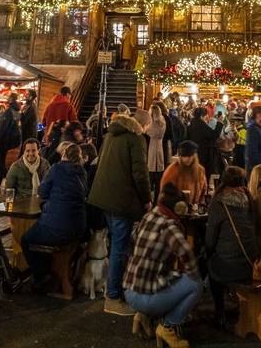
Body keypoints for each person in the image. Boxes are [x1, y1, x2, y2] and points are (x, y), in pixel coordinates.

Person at [87, 113, 151, 316]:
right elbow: (140, 173)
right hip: (121, 199)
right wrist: (146, 198)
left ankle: (114, 288)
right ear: (142, 125)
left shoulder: (112, 135)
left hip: (103, 196)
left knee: (115, 244)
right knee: (119, 249)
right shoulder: (135, 138)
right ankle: (112, 297)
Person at [123, 184, 200, 348]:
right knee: (195, 284)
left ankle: (142, 315)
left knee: (168, 277)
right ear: (179, 208)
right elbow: (188, 256)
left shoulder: (147, 217)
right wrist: (189, 273)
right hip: (146, 298)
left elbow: (131, 243)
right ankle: (167, 327)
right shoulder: (169, 227)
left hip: (129, 291)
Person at [22, 142, 88, 286]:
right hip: (79, 228)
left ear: (64, 154)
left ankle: (41, 275)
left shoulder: (57, 168)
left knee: (26, 240)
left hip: (57, 227)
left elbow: (42, 192)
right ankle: (48, 271)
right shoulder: (82, 172)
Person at [204, 165, 261, 327]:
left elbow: (210, 240)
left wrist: (208, 253)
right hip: (250, 262)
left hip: (230, 267)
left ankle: (219, 311)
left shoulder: (219, 202)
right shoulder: (250, 199)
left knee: (211, 265)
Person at [159, 141, 207, 207]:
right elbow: (164, 193)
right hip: (176, 209)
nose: (187, 159)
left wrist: (200, 205)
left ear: (194, 156)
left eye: (190, 156)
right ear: (180, 156)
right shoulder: (172, 170)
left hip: (195, 209)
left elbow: (204, 191)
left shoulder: (200, 170)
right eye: (184, 156)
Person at [0, 98, 22, 191]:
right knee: (1, 162)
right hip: (10, 141)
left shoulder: (8, 112)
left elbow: (3, 128)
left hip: (3, 141)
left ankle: (8, 177)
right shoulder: (16, 112)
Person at [185, 106, 223, 180]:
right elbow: (214, 135)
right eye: (206, 115)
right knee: (202, 176)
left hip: (193, 154)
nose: (208, 117)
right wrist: (219, 122)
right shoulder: (201, 125)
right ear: (202, 116)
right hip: (203, 154)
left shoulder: (191, 124)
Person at [146, 103, 168, 196]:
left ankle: (149, 200)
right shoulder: (162, 122)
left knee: (149, 180)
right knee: (158, 180)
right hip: (160, 151)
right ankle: (156, 200)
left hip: (149, 152)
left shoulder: (149, 124)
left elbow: (148, 132)